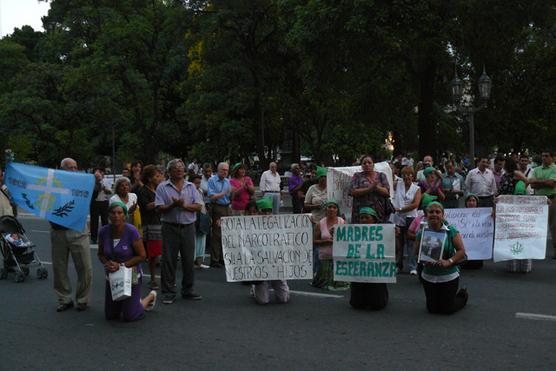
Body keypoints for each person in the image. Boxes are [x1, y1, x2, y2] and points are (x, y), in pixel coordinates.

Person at [97, 202, 156, 321]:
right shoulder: (103, 231)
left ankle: (150, 297)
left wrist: (121, 265)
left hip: (131, 274)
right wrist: (106, 263)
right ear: (108, 215)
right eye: (113, 213)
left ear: (124, 215)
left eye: (119, 213)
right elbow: (101, 254)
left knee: (130, 316)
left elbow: (142, 256)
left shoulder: (131, 231)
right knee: (111, 316)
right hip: (113, 275)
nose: (116, 216)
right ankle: (130, 302)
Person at [155, 159, 203, 304]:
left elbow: (199, 206)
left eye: (181, 168)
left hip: (188, 227)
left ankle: (188, 290)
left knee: (188, 260)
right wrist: (173, 205)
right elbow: (159, 208)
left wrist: (184, 206)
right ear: (169, 171)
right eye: (176, 168)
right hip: (170, 227)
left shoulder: (191, 186)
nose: (180, 170)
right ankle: (168, 292)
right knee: (169, 261)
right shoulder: (162, 187)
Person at [50, 158, 92, 312]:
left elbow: (95, 191)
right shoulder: (53, 185)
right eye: (70, 167)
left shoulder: (82, 183)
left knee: (85, 268)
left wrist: (98, 180)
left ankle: (82, 299)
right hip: (58, 231)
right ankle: (64, 298)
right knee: (59, 268)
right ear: (62, 169)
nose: (74, 170)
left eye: (75, 167)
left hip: (78, 231)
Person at [415, 202, 468, 314]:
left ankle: (463, 295)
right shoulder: (421, 233)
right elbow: (416, 253)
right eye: (431, 212)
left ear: (443, 215)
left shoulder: (451, 231)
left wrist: (449, 261)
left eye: (437, 212)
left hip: (448, 275)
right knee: (432, 309)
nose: (434, 214)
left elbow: (461, 251)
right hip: (429, 275)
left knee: (446, 309)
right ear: (426, 215)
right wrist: (424, 262)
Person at [251, 198, 290, 305]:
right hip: (260, 265)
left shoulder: (279, 225)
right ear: (258, 212)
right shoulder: (250, 226)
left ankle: (278, 284)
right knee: (263, 301)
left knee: (284, 299)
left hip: (276, 263)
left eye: (269, 210)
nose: (267, 213)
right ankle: (255, 287)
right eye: (263, 211)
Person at [349, 207, 389, 310]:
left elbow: (394, 250)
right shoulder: (353, 232)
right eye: (361, 218)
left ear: (374, 219)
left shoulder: (383, 232)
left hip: (375, 271)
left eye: (366, 217)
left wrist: (395, 236)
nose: (363, 220)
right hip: (359, 270)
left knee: (377, 304)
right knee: (357, 304)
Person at [136, 165, 164, 289]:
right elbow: (146, 207)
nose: (158, 178)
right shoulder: (143, 191)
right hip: (150, 224)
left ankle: (162, 278)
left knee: (159, 253)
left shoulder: (158, 189)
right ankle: (152, 279)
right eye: (156, 176)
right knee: (152, 255)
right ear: (148, 178)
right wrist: (160, 201)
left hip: (160, 222)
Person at [313, 200, 348, 290]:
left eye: (334, 207)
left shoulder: (343, 222)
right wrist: (326, 241)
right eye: (329, 207)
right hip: (325, 256)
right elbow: (314, 241)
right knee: (322, 283)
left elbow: (348, 240)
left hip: (338, 257)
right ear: (326, 210)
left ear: (337, 210)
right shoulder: (320, 224)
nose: (332, 209)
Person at [393, 166, 422, 275]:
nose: (407, 177)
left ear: (413, 176)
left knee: (411, 243)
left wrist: (400, 209)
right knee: (399, 243)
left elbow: (415, 204)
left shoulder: (417, 188)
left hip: (411, 218)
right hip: (398, 218)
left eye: (409, 174)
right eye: (404, 174)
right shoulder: (397, 185)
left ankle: (412, 266)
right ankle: (398, 265)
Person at [529, 151, 556, 259]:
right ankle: (535, 249)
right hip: (539, 200)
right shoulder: (536, 169)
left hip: (552, 199)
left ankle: (555, 249)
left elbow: (552, 184)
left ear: (552, 158)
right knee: (536, 225)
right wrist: (544, 182)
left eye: (546, 156)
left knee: (554, 226)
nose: (544, 158)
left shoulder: (554, 168)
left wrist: (538, 181)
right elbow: (532, 185)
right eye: (543, 156)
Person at [350, 155, 391, 223]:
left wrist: (376, 187)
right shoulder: (357, 176)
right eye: (364, 163)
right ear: (361, 165)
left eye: (369, 162)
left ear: (373, 164)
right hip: (361, 213)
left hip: (378, 212)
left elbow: (387, 192)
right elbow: (353, 192)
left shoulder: (381, 175)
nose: (367, 164)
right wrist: (369, 188)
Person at [208, 162, 232, 268]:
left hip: (227, 207)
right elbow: (212, 196)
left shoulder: (228, 181)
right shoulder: (212, 180)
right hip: (217, 207)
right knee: (217, 234)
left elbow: (230, 195)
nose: (225, 172)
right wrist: (224, 193)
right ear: (218, 170)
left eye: (226, 170)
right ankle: (215, 259)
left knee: (226, 234)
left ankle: (223, 258)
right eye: (223, 170)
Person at [190, 175, 210, 269]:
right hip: (193, 217)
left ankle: (199, 261)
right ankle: (192, 261)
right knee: (193, 240)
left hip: (202, 216)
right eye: (195, 183)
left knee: (201, 239)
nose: (197, 185)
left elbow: (203, 204)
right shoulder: (189, 191)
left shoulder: (200, 191)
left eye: (199, 183)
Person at [90, 167, 112, 244]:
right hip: (95, 202)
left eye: (100, 172)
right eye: (96, 172)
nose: (98, 174)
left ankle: (106, 237)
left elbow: (109, 192)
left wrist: (103, 187)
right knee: (94, 221)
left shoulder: (106, 181)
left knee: (105, 221)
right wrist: (97, 183)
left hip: (104, 202)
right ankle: (94, 238)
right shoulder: (91, 181)